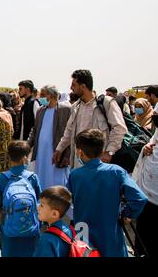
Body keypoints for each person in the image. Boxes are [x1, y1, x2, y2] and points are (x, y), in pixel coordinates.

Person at [67, 129, 147, 257]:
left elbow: (67, 200)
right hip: (110, 234)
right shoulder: (116, 171)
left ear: (80, 151)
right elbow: (139, 198)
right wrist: (127, 214)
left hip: (84, 234)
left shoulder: (75, 175)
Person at [53, 70, 127, 169]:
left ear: (83, 86)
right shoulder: (76, 107)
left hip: (98, 163)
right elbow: (69, 131)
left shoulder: (106, 103)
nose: (71, 88)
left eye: (74, 85)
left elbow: (119, 128)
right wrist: (59, 149)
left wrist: (109, 152)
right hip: (78, 162)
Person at [0, 141, 41, 257]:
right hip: (30, 228)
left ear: (9, 157)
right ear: (24, 158)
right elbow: (39, 203)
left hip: (8, 228)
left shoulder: (1, 178)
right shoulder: (32, 177)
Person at [28, 85, 72, 189]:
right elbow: (35, 130)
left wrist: (67, 154)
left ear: (51, 95)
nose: (40, 97)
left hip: (56, 152)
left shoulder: (65, 110)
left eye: (43, 95)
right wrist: (28, 145)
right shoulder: (40, 111)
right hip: (41, 152)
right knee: (41, 175)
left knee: (56, 178)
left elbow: (69, 133)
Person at [133, 107, 158, 257]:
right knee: (143, 239)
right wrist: (146, 148)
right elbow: (151, 145)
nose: (155, 117)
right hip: (148, 196)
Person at [33, 186, 73, 257]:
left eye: (42, 205)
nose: (37, 207)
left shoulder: (46, 240)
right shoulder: (68, 229)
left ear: (54, 214)